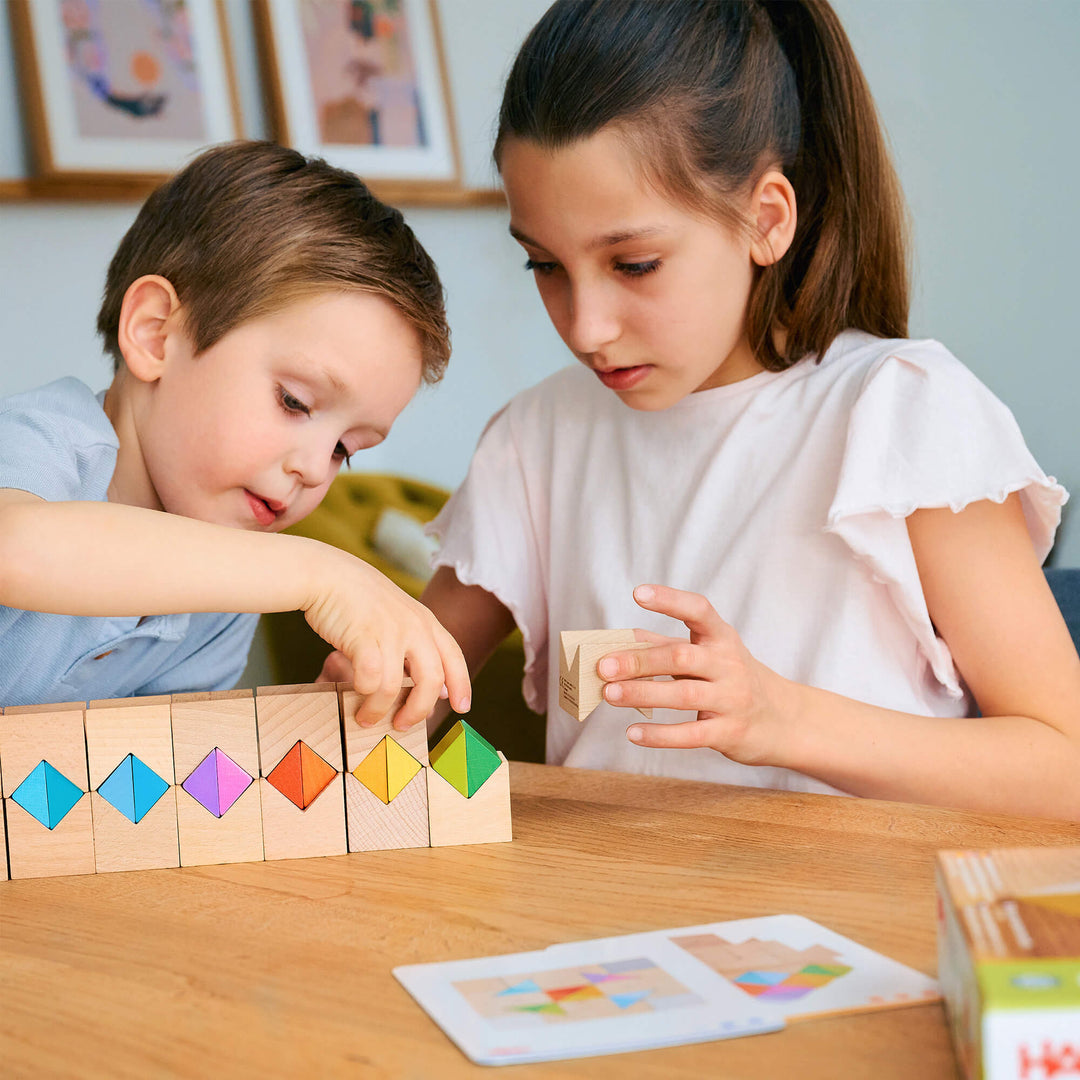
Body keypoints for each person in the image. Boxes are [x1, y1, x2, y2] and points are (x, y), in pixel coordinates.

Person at [324, 0, 1080, 819]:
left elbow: (1064, 765)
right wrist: (369, 690)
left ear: (766, 220)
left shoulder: (902, 414)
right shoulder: (540, 435)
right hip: (593, 924)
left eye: (636, 263)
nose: (586, 327)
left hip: (854, 931)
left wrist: (779, 716)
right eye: (543, 264)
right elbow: (408, 689)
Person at [0, 140, 469, 728]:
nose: (316, 469)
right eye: (294, 402)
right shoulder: (42, 442)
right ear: (155, 335)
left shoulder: (226, 585)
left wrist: (323, 720)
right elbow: (15, 549)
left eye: (345, 449)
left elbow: (167, 768)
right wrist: (317, 572)